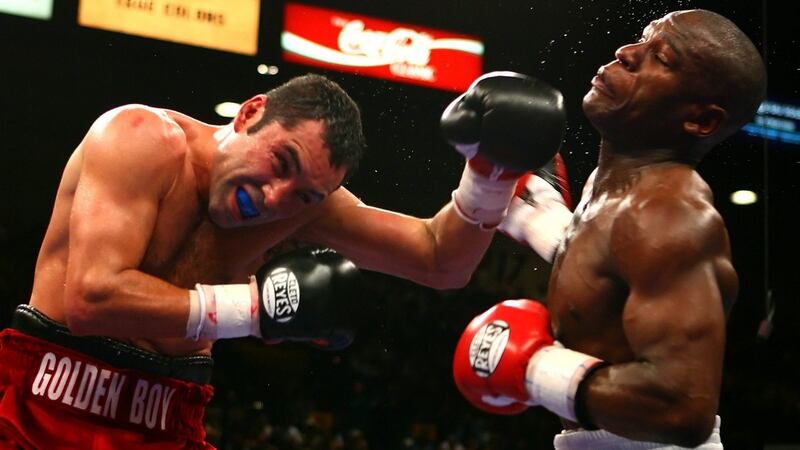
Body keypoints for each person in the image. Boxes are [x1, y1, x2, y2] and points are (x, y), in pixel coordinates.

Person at [0, 71, 567, 448]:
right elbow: (91, 299)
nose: (274, 199)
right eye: (281, 161)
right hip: (44, 398)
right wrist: (257, 308)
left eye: (305, 195)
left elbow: (440, 261)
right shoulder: (141, 139)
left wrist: (489, 176)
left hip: (168, 416)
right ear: (250, 113)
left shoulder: (299, 209)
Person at [452, 9, 766, 449]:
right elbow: (607, 266)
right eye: (641, 38)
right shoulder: (615, 187)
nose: (626, 53)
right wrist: (534, 214)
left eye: (662, 57)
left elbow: (682, 408)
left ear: (702, 121)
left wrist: (535, 370)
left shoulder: (670, 214)